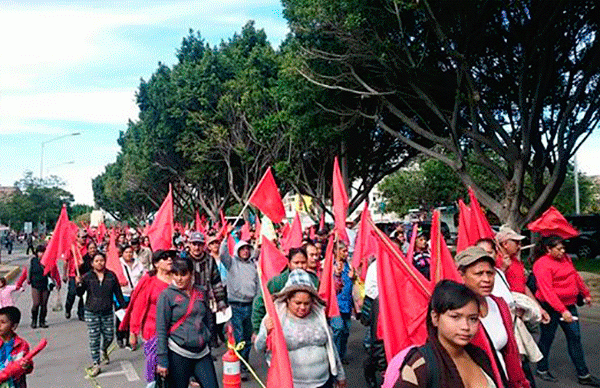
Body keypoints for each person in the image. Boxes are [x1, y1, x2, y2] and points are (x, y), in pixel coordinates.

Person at [392, 280, 500, 388]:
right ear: (435, 317)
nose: (465, 327)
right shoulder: (422, 365)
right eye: (455, 317)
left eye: (473, 319)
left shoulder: (480, 356)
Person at [255, 269, 346, 388]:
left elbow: (331, 347)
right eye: (297, 303)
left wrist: (340, 375)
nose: (303, 307)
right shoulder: (275, 318)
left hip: (323, 382)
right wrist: (265, 332)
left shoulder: (319, 315)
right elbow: (259, 348)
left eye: (307, 303)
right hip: (292, 384)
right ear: (288, 299)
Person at [456, 246, 530, 388]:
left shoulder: (499, 305)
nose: (487, 279)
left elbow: (510, 351)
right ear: (461, 274)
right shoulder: (454, 312)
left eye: (490, 273)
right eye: (479, 274)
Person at [532, 236, 600, 386]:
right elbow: (547, 290)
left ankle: (584, 374)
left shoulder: (566, 259)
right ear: (548, 249)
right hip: (551, 307)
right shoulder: (542, 264)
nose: (563, 251)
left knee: (575, 338)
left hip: (569, 305)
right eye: (559, 249)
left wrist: (585, 293)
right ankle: (542, 369)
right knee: (547, 338)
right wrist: (562, 310)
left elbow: (575, 276)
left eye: (563, 248)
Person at [155, 257, 219, 388]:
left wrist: (208, 338)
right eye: (176, 274)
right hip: (178, 353)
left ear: (191, 273)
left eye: (183, 274)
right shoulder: (166, 296)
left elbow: (207, 318)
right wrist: (162, 360)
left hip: (202, 353)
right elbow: (161, 329)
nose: (179, 278)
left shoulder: (201, 292)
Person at [120, 249, 175, 385]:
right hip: (152, 331)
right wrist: (133, 332)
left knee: (173, 369)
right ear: (156, 263)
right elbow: (138, 307)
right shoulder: (149, 281)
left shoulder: (178, 279)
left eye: (171, 257)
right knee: (154, 367)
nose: (169, 260)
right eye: (165, 258)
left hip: (175, 331)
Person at [76, 252, 126, 377]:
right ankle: (96, 363)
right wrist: (79, 283)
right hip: (91, 311)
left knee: (109, 336)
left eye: (102, 260)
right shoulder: (87, 277)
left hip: (107, 311)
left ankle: (104, 350)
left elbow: (118, 293)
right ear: (92, 264)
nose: (100, 263)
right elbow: (79, 293)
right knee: (94, 339)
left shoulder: (111, 276)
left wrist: (124, 308)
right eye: (97, 261)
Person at [252, 247, 318, 335]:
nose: (300, 266)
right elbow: (260, 302)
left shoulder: (313, 280)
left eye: (303, 263)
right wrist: (258, 330)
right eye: (296, 263)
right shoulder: (278, 282)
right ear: (289, 263)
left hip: (308, 327)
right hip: (283, 330)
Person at [220, 239, 258, 380]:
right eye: (242, 249)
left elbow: (258, 286)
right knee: (239, 336)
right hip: (235, 305)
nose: (245, 251)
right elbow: (222, 253)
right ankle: (240, 365)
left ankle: (245, 363)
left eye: (248, 249)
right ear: (237, 250)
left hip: (250, 305)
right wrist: (225, 236)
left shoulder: (254, 266)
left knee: (248, 337)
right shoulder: (231, 263)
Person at [185, 232, 227, 347]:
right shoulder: (184, 260)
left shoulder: (210, 260)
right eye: (194, 244)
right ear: (189, 244)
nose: (197, 247)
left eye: (199, 244)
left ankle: (207, 351)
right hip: (189, 300)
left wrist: (221, 302)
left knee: (209, 326)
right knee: (193, 327)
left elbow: (216, 282)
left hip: (207, 299)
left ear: (203, 246)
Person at [117, 244, 146, 349]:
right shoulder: (118, 264)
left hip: (136, 294)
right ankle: (120, 336)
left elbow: (144, 276)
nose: (128, 254)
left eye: (130, 252)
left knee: (133, 317)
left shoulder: (138, 263)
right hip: (122, 294)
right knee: (122, 317)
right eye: (126, 252)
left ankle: (131, 338)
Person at [331, 241, 355, 364]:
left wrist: (353, 277)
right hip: (336, 304)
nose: (346, 253)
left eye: (346, 251)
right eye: (343, 251)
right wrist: (336, 274)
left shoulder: (348, 265)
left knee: (345, 331)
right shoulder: (330, 265)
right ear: (336, 251)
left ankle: (341, 355)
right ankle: (334, 357)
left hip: (347, 303)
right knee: (338, 329)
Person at [0, 306, 33, 387]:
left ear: (13, 326)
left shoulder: (21, 344)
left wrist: (27, 365)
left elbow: (28, 367)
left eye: (3, 322)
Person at [64, 230, 87, 321]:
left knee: (83, 294)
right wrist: (64, 274)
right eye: (82, 237)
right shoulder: (72, 247)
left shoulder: (88, 248)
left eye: (85, 237)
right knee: (72, 293)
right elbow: (66, 261)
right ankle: (68, 308)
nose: (84, 239)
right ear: (77, 238)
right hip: (73, 274)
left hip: (84, 274)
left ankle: (81, 313)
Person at [28, 245, 51, 328]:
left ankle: (42, 321)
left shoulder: (48, 260)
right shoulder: (33, 260)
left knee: (44, 304)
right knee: (36, 303)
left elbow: (53, 271)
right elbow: (30, 270)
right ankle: (34, 320)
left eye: (43, 252)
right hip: (35, 284)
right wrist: (29, 279)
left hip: (45, 284)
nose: (41, 254)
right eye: (40, 252)